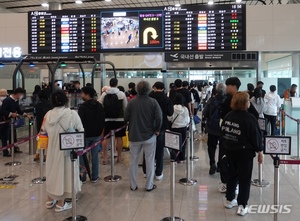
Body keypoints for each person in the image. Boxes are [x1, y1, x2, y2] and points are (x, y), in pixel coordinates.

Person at [221, 92, 263, 216]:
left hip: (230, 150)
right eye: (248, 101)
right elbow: (256, 137)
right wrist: (260, 151)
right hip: (244, 153)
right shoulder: (249, 118)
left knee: (232, 175)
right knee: (244, 179)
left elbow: (223, 132)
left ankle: (229, 199)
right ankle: (242, 205)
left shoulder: (228, 115)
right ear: (245, 103)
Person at [41, 91, 84, 212]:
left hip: (51, 150)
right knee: (65, 174)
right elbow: (81, 130)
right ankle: (61, 203)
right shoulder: (71, 114)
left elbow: (43, 131)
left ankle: (50, 199)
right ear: (66, 100)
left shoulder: (47, 115)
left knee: (52, 173)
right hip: (67, 150)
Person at [219, 77, 258, 193]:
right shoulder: (227, 99)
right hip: (227, 138)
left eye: (228, 85)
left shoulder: (242, 99)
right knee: (227, 161)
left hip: (239, 141)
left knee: (235, 164)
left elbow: (255, 116)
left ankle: (231, 186)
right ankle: (228, 184)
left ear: (233, 86)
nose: (226, 88)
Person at [125, 81, 162, 191]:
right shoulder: (153, 102)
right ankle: (149, 185)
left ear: (137, 89)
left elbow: (126, 117)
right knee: (150, 161)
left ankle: (133, 185)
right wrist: (156, 129)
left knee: (133, 161)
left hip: (134, 135)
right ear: (149, 89)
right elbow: (159, 117)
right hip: (149, 136)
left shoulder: (131, 102)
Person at [142, 82, 173, 180]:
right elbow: (170, 112)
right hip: (162, 126)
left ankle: (146, 171)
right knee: (160, 150)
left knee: (147, 149)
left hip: (149, 126)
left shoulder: (149, 97)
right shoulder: (167, 99)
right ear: (163, 88)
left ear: (154, 88)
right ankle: (158, 173)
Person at [78, 87, 105, 183]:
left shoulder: (83, 107)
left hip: (85, 135)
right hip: (96, 135)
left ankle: (83, 176)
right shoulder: (99, 106)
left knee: (82, 156)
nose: (81, 95)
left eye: (82, 93)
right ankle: (95, 176)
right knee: (95, 156)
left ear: (86, 94)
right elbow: (102, 120)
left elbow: (80, 122)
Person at [99, 78, 127, 164]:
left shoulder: (104, 94)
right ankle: (119, 157)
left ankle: (104, 158)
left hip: (107, 119)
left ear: (110, 84)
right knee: (119, 138)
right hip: (119, 119)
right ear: (117, 84)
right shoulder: (121, 94)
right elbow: (125, 107)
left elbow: (99, 105)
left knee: (106, 138)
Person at [0, 88, 33, 157]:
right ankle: (5, 152)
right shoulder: (7, 100)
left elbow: (18, 110)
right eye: (21, 94)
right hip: (6, 121)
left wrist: (26, 115)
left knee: (13, 135)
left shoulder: (15, 101)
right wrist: (10, 114)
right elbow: (2, 110)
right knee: (5, 136)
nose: (21, 96)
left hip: (13, 122)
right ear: (18, 93)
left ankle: (14, 148)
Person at [203, 83, 226, 175]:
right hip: (223, 128)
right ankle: (220, 165)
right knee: (222, 147)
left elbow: (205, 112)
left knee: (211, 146)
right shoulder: (227, 101)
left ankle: (212, 163)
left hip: (212, 127)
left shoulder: (211, 100)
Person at [168, 94, 190, 163]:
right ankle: (182, 158)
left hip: (174, 127)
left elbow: (169, 118)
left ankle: (175, 157)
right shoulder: (185, 109)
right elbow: (187, 119)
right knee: (182, 144)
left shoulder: (172, 107)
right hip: (183, 127)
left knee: (174, 144)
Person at [33, 90, 53, 162]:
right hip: (48, 124)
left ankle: (37, 154)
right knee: (48, 140)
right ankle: (45, 155)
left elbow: (35, 113)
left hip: (40, 124)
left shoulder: (37, 104)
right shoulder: (50, 104)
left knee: (41, 139)